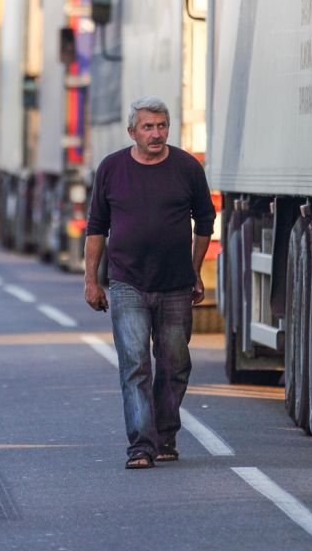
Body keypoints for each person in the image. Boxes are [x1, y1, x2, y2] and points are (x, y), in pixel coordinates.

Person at [84, 96, 216, 469]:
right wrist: (91, 281)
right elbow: (96, 227)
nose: (156, 134)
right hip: (127, 283)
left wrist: (195, 270)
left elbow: (205, 221)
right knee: (135, 365)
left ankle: (165, 434)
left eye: (161, 126)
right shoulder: (112, 169)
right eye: (148, 127)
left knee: (174, 365)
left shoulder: (187, 167)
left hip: (175, 285)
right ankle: (141, 446)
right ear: (132, 132)